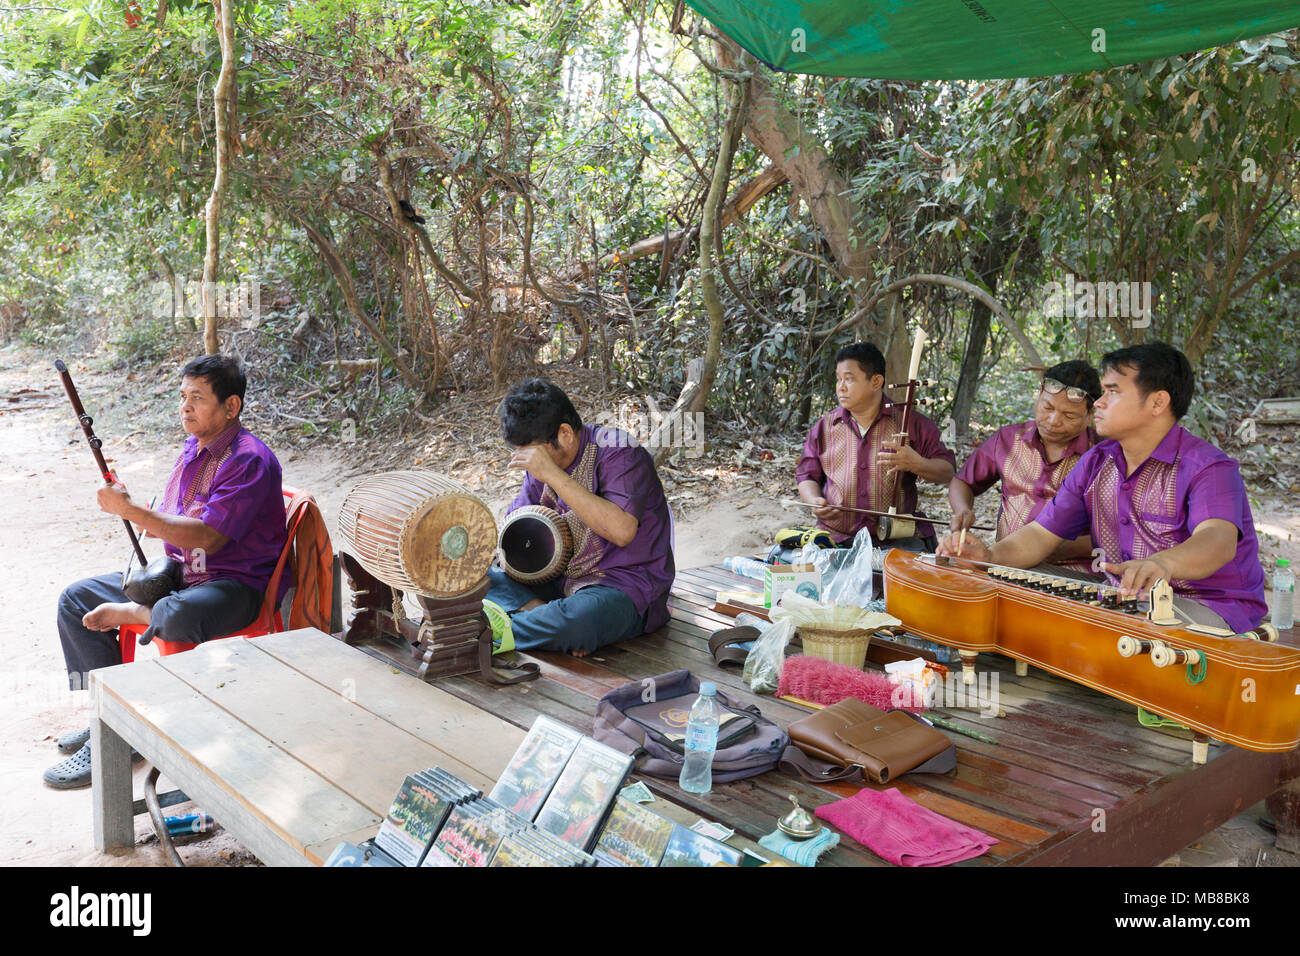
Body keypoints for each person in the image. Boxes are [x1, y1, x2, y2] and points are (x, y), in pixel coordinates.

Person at [45, 355, 288, 789]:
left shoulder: (248, 460)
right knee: (74, 600)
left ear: (231, 406)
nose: (185, 407)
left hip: (232, 583)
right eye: (182, 397)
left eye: (197, 398)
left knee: (178, 615)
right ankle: (108, 715)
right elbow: (172, 519)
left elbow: (209, 537)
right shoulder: (193, 450)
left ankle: (136, 617)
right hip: (181, 573)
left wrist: (134, 511)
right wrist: (136, 507)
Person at [938, 342, 1267, 633]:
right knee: (1010, 584)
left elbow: (1217, 541)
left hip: (1207, 605)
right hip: (1123, 597)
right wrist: (989, 557)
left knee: (1125, 634)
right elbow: (1039, 535)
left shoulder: (1208, 466)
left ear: (1157, 403)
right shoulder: (1097, 462)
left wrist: (1163, 564)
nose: (1098, 403)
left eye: (1113, 392)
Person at [486, 379, 675, 656]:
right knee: (479, 576)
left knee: (580, 621)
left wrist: (552, 474)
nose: (529, 461)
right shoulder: (542, 463)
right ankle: (539, 616)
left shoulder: (620, 452)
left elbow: (622, 531)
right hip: (560, 581)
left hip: (622, 586)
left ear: (564, 433)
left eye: (533, 451)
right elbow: (521, 521)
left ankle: (489, 632)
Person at [796, 341, 955, 552]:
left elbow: (947, 471)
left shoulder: (911, 424)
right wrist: (814, 501)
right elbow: (807, 475)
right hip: (837, 537)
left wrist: (917, 464)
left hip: (895, 539)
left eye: (849, 379)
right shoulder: (825, 427)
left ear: (876, 381)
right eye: (839, 379)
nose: (840, 387)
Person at [949, 360, 1101, 573]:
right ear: (1039, 394)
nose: (1053, 420)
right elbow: (963, 481)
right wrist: (962, 509)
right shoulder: (1008, 440)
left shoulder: (1102, 456)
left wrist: (1058, 547)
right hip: (1003, 565)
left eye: (1069, 416)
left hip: (1072, 577)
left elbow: (1117, 534)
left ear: (1091, 413)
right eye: (1047, 407)